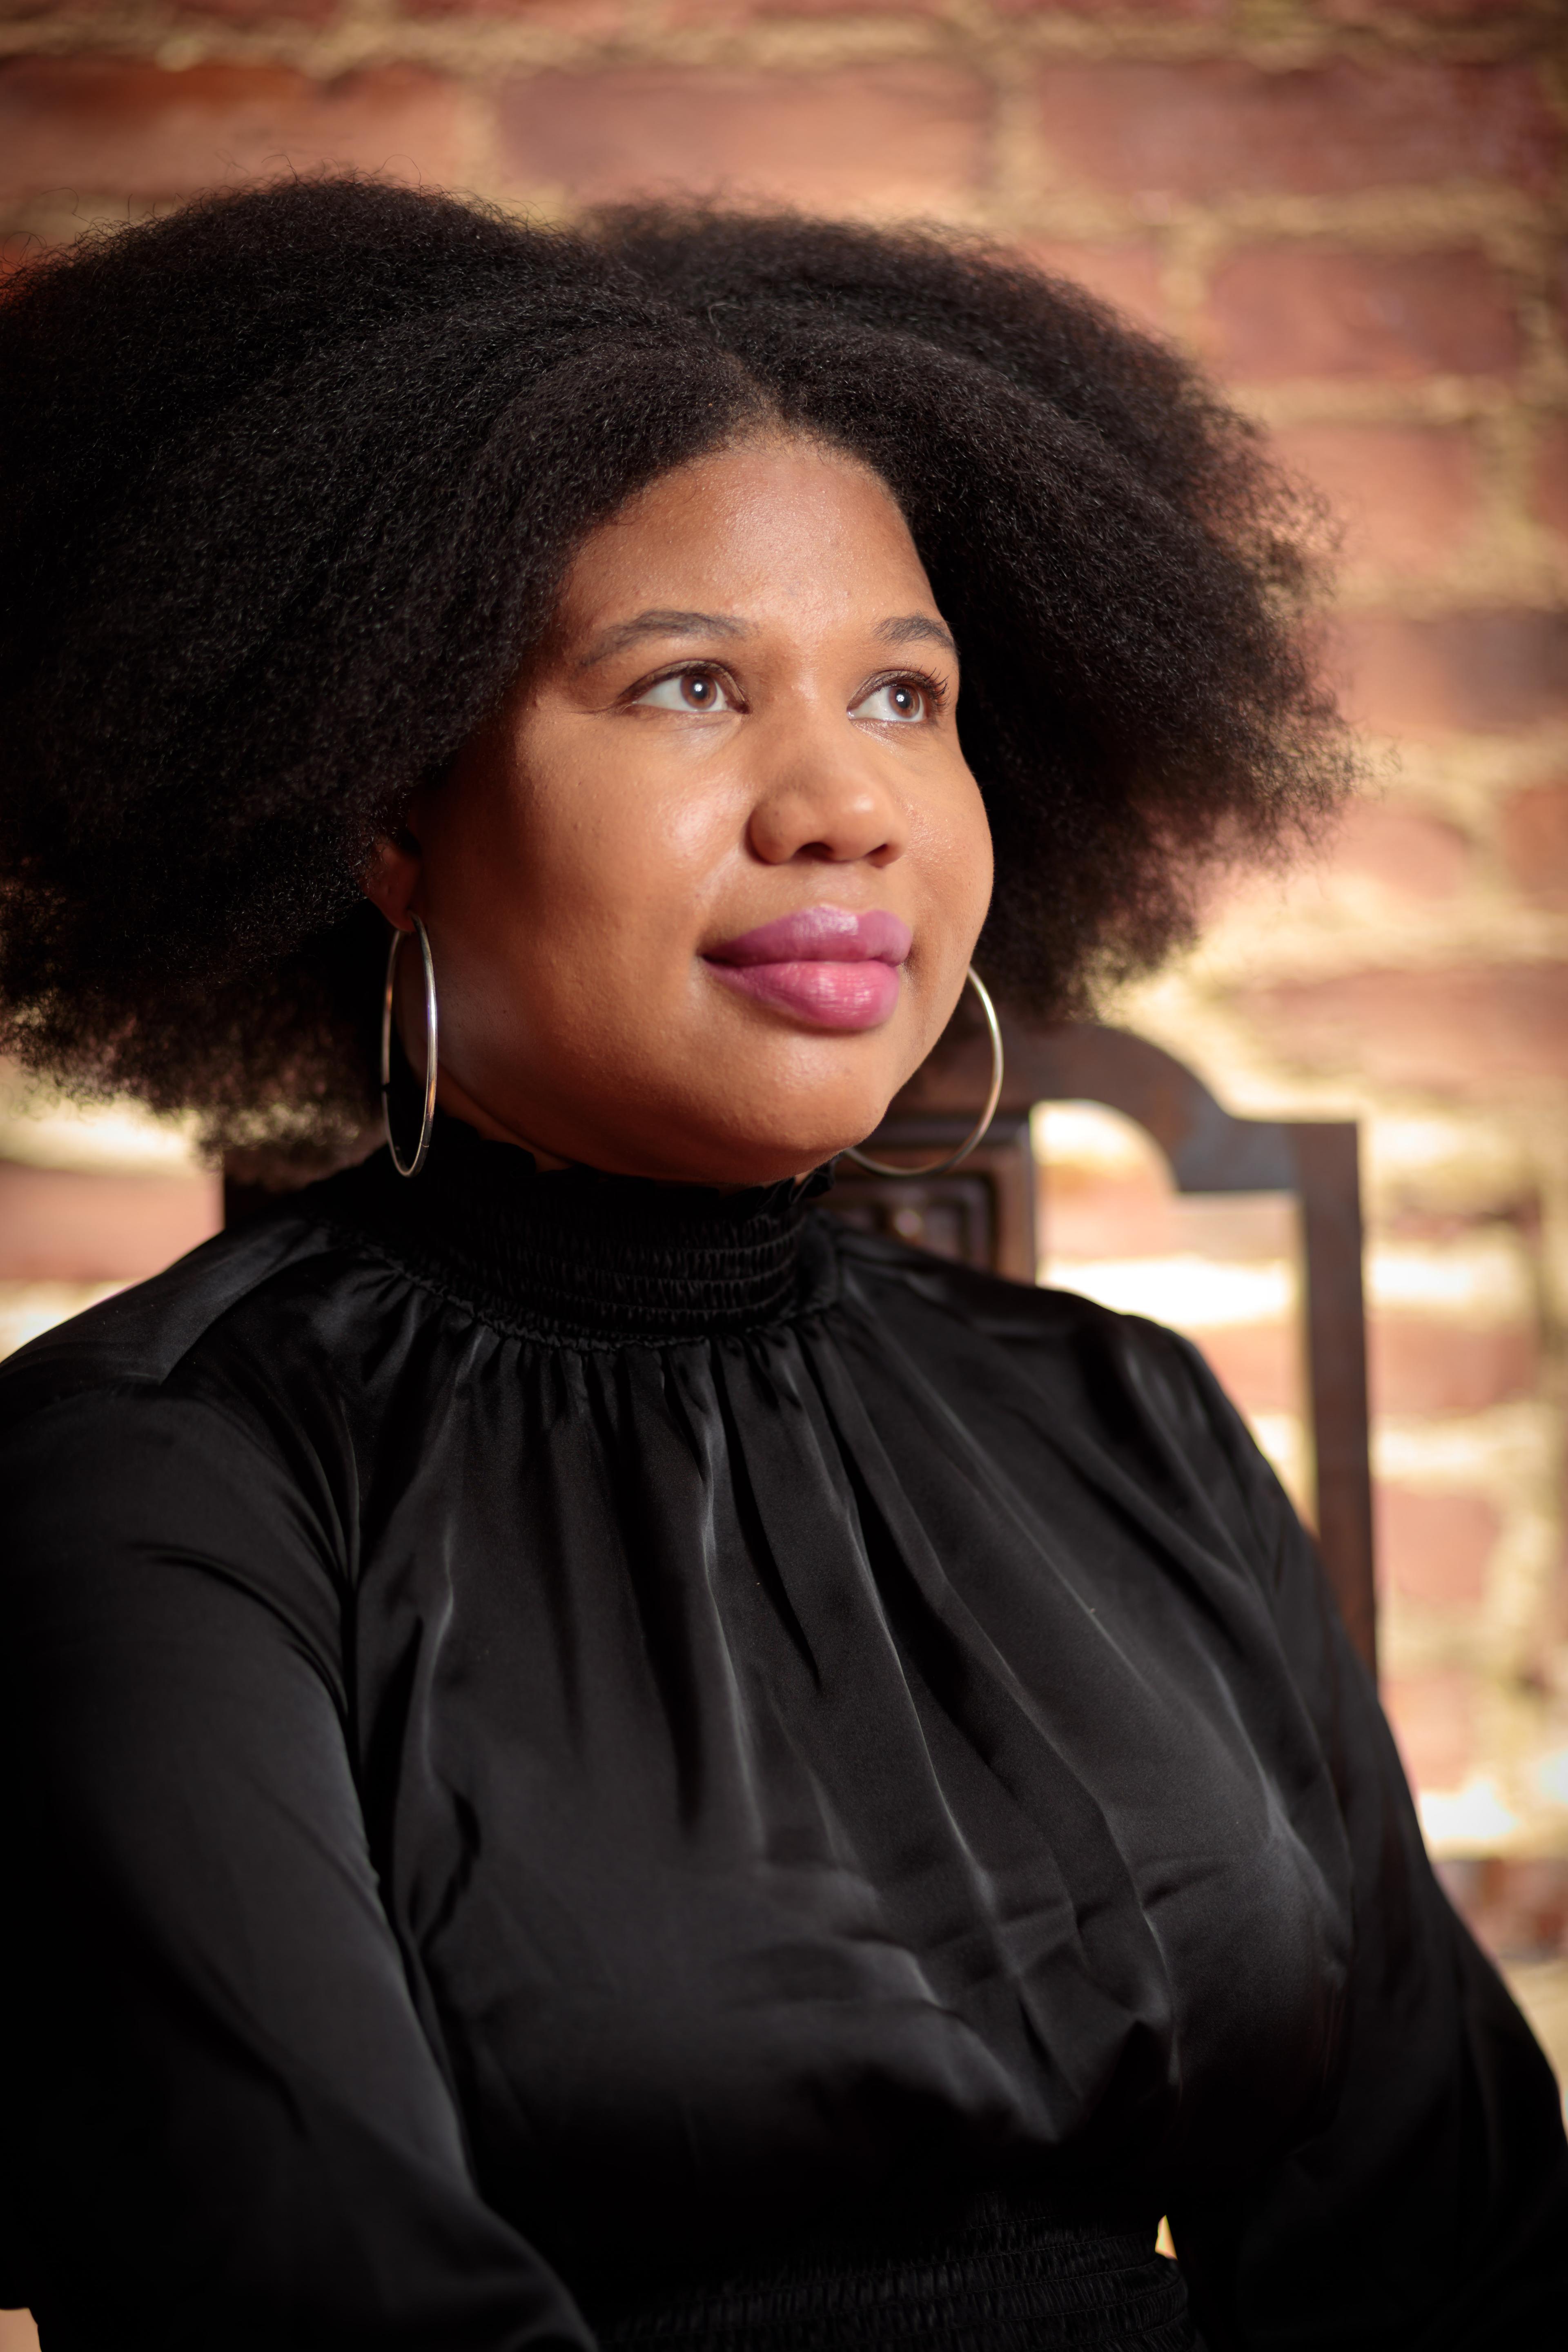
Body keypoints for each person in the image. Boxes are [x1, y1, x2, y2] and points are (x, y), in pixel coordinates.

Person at [0, 178, 1561, 2352]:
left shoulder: (1124, 1417)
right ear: (381, 801)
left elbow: (1453, 2248)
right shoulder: (154, 1485)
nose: (844, 805)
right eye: (688, 687)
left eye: (908, 701)